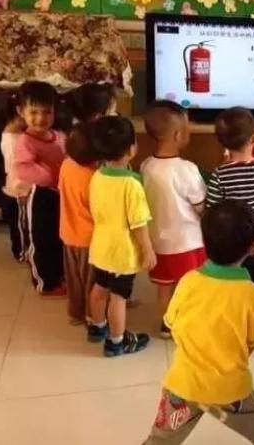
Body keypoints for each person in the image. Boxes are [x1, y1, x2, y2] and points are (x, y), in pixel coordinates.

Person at [142, 200, 254, 445]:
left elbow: (172, 323)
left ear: (204, 243)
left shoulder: (188, 282)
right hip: (231, 389)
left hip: (184, 384)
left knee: (160, 439)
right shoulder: (252, 295)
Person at [87, 116, 155, 356]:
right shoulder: (131, 185)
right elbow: (138, 223)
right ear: (131, 149)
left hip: (100, 246)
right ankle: (117, 342)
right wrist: (147, 249)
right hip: (121, 253)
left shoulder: (97, 176)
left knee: (99, 287)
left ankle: (97, 327)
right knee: (118, 297)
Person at [141, 101, 207, 339]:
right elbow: (200, 206)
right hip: (187, 242)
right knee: (190, 286)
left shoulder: (146, 166)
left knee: (164, 287)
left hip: (158, 242)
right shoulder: (187, 169)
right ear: (178, 135)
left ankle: (167, 324)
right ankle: (189, 322)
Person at [206, 107, 254, 307]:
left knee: (234, 282)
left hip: (233, 243)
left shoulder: (220, 174)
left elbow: (213, 209)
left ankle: (236, 312)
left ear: (222, 143)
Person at [13, 81, 67, 296]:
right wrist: (50, 178)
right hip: (40, 197)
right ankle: (45, 282)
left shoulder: (60, 137)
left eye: (47, 112)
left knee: (59, 237)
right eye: (34, 112)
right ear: (21, 112)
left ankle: (59, 275)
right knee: (42, 239)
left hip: (60, 194)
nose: (41, 118)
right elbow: (22, 167)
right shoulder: (25, 141)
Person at [58, 123, 99, 325]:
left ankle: (75, 313)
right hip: (89, 239)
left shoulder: (66, 165)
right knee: (91, 280)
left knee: (74, 279)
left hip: (68, 233)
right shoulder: (94, 177)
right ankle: (93, 316)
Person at [0, 99, 27, 262]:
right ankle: (21, 252)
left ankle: (22, 250)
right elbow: (14, 168)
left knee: (21, 224)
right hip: (18, 190)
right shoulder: (11, 137)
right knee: (19, 226)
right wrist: (22, 190)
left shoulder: (15, 133)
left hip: (19, 188)